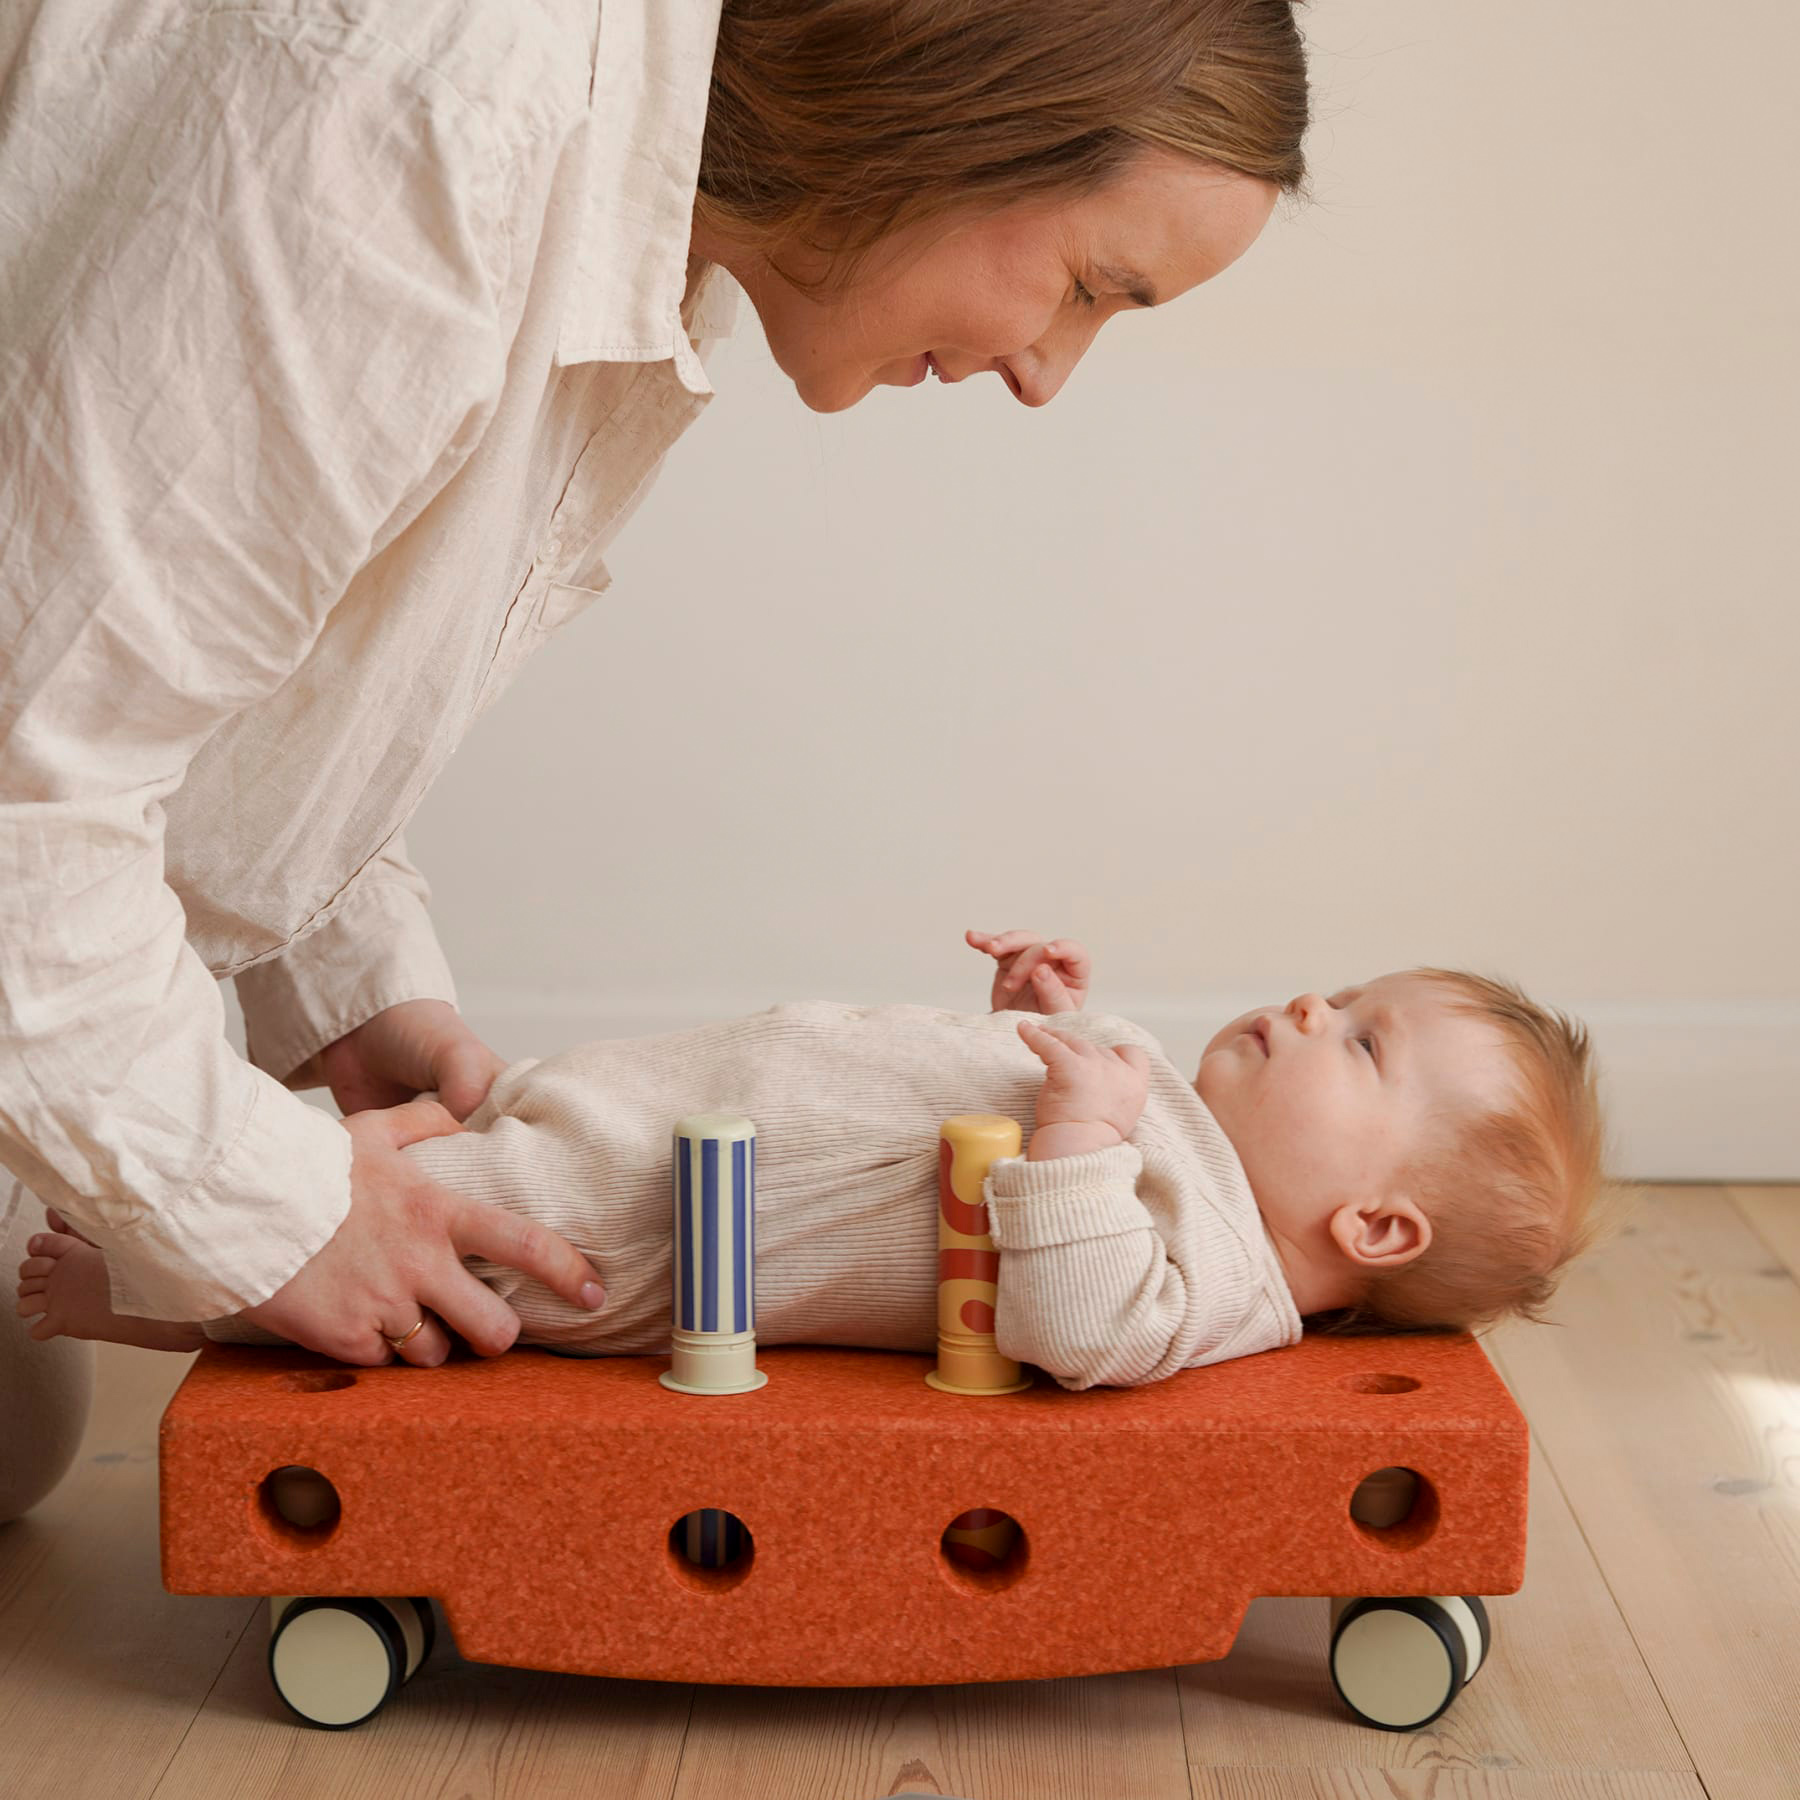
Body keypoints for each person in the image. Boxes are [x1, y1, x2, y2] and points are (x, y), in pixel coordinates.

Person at [0, 0, 1309, 1516]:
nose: (1046, 374)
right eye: (1087, 285)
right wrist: (277, 1208)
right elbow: (27, 763)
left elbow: (239, 640)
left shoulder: (643, 231)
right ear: (954, 109)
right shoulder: (421, 125)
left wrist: (350, 990)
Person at [17, 931, 1628, 1390]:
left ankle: (133, 1282)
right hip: (671, 1109)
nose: (1307, 1001)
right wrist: (1037, 1023)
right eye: (1345, 990)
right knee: (444, 1156)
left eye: (1359, 1042)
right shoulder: (1178, 1118)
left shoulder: (1216, 1280)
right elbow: (1024, 1097)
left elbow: (1079, 1314)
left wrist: (1076, 1127)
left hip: (659, 1232)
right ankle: (181, 1168)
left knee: (440, 1231)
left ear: (1375, 1222)